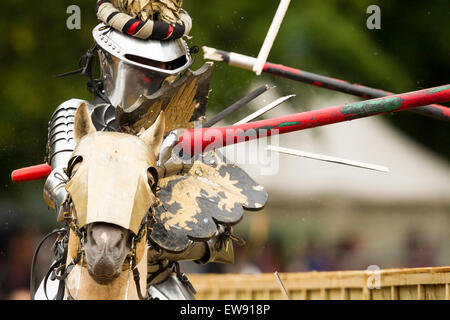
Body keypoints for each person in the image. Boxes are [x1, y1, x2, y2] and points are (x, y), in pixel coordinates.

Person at [38, 11, 238, 300]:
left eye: (158, 76)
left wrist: (164, 226)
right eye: (140, 73)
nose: (147, 85)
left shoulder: (182, 135)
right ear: (108, 65)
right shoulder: (77, 114)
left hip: (155, 276)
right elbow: (57, 184)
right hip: (77, 267)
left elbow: (220, 239)